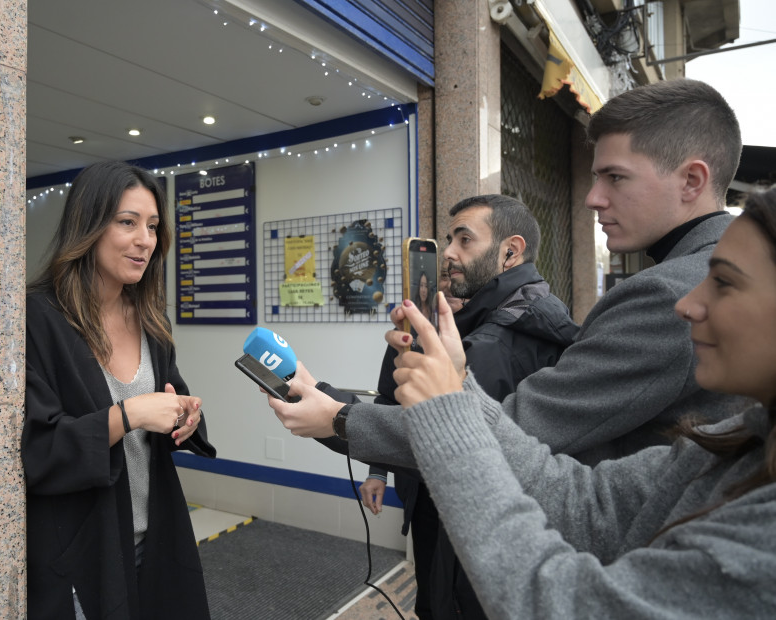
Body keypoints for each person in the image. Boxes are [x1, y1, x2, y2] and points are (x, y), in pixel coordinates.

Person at [271, 77, 748, 472]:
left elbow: (514, 428)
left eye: (615, 177)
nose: (593, 198)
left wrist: (338, 419)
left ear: (692, 180)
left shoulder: (667, 294)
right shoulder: (701, 271)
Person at [373, 186, 776, 617]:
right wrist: (457, 385)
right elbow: (584, 499)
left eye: (725, 282)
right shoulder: (732, 447)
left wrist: (442, 409)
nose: (687, 304)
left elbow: (561, 601)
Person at [360, 194, 578, 619]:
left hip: (467, 533)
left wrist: (334, 415)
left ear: (510, 251)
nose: (449, 255)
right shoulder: (506, 316)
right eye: (448, 240)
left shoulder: (493, 344)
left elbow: (434, 434)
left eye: (464, 240)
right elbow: (392, 393)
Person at [22, 161, 216, 619]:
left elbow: (171, 400)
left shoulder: (151, 320)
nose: (144, 240)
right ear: (88, 225)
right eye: (127, 223)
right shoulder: (38, 319)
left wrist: (186, 416)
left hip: (156, 535)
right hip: (83, 548)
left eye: (151, 226)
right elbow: (39, 448)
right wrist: (129, 414)